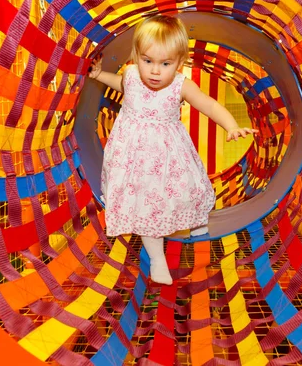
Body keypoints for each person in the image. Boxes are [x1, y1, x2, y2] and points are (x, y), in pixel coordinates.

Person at [88, 15, 257, 285]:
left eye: (165, 64)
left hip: (167, 156)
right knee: (144, 205)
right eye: (148, 61)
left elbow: (209, 105)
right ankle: (157, 258)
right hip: (132, 159)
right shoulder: (131, 75)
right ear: (136, 56)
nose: (155, 71)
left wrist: (231, 126)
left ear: (179, 63)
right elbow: (120, 85)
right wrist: (99, 75)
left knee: (182, 190)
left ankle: (193, 221)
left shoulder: (181, 85)